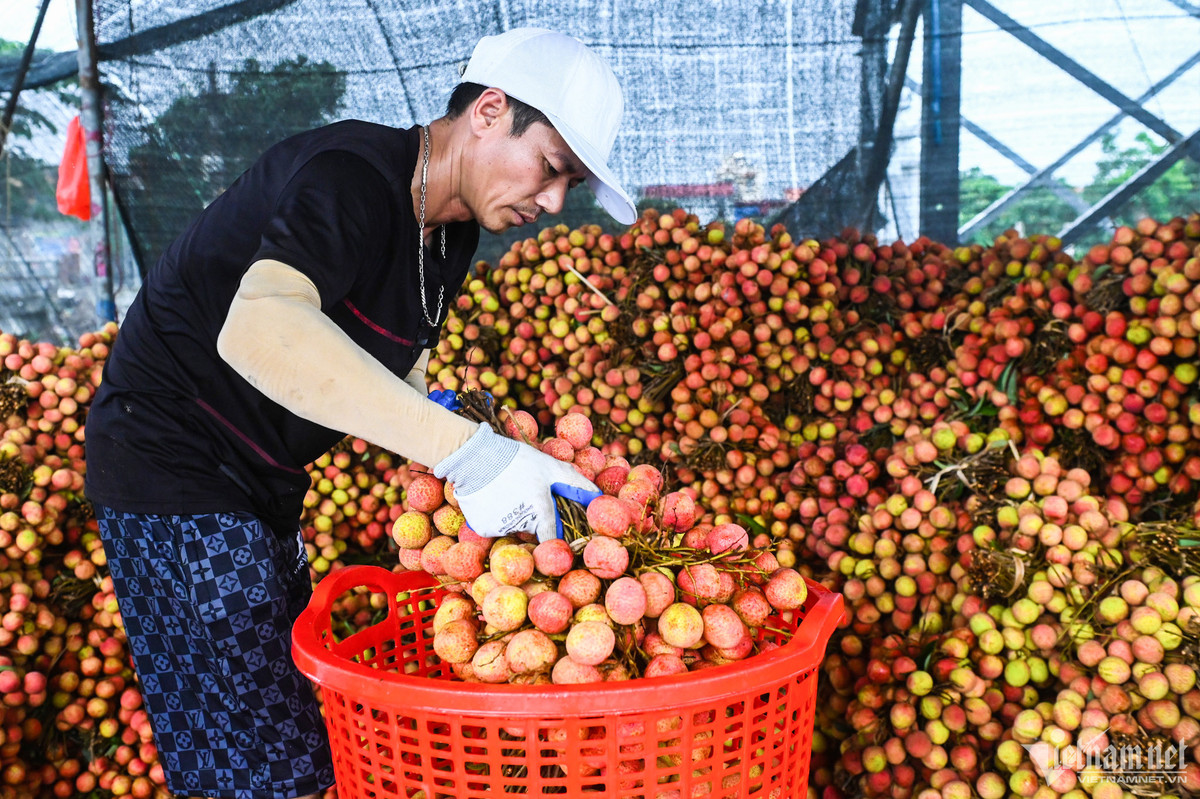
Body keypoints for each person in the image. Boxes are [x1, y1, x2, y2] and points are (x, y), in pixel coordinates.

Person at [83, 27, 636, 799]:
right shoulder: (349, 177)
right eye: (550, 167)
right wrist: (466, 452)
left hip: (263, 483)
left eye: (568, 185)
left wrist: (482, 457)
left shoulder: (450, 236)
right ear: (488, 111)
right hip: (174, 461)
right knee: (265, 768)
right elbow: (261, 327)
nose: (551, 202)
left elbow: (382, 374)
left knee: (291, 728)